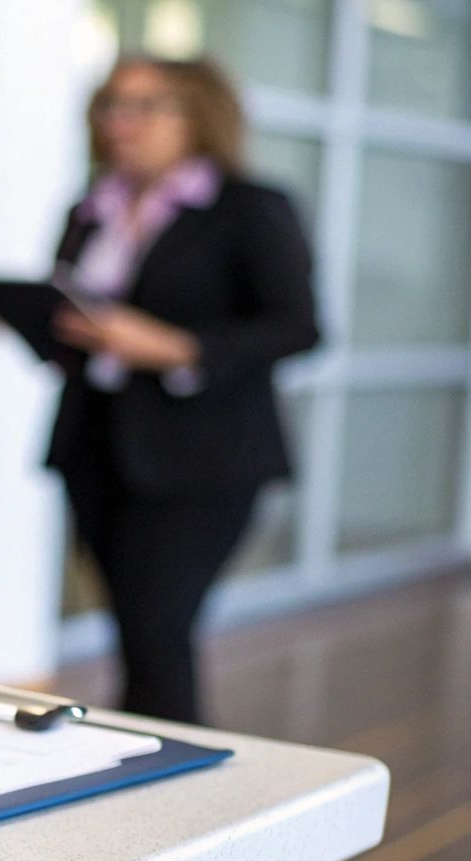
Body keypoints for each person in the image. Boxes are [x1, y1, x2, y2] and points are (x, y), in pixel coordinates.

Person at [47, 57, 319, 723]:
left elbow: (297, 327)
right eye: (112, 106)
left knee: (158, 631)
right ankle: (145, 758)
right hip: (98, 446)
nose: (122, 123)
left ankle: (170, 770)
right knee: (135, 633)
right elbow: (72, 312)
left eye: (145, 106)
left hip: (204, 459)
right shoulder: (92, 208)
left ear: (198, 113)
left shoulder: (248, 208)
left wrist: (175, 346)